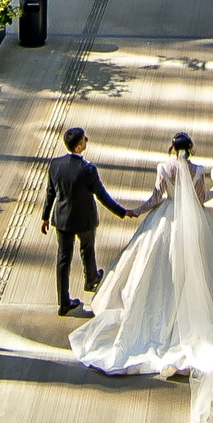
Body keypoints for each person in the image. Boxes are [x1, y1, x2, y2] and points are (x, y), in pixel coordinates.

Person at [69, 131, 213, 423]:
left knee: (153, 272)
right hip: (194, 227)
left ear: (172, 149)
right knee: (204, 268)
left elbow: (156, 198)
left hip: (166, 223)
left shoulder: (164, 168)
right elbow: (200, 200)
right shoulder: (198, 171)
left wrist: (137, 211)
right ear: (190, 150)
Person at [41, 126, 129, 316]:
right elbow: (102, 196)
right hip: (84, 220)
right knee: (87, 250)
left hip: (62, 220)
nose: (86, 141)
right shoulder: (88, 169)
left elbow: (50, 193)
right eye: (84, 140)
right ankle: (91, 279)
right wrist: (122, 212)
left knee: (63, 259)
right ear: (79, 146)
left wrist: (45, 217)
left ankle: (63, 303)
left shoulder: (55, 165)